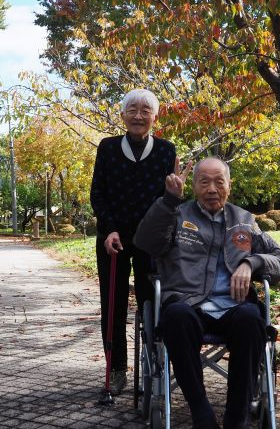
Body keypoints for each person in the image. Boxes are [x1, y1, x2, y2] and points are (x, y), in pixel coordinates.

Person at [134, 157, 280, 429]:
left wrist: (251, 263)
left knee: (252, 320)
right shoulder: (177, 215)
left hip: (235, 305)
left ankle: (236, 420)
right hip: (188, 303)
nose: (212, 189)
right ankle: (202, 415)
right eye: (204, 182)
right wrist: (169, 201)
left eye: (219, 181)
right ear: (193, 186)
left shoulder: (245, 221)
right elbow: (146, 242)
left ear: (229, 185)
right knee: (176, 317)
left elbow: (279, 261)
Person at [90, 88, 176, 394]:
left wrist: (175, 193)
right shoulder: (108, 147)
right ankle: (115, 370)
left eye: (145, 110)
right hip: (113, 238)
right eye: (132, 110)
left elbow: (169, 201)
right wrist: (109, 229)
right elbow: (98, 194)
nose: (138, 116)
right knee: (112, 306)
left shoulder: (166, 150)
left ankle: (154, 365)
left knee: (151, 302)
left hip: (149, 241)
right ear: (123, 114)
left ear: (155, 116)